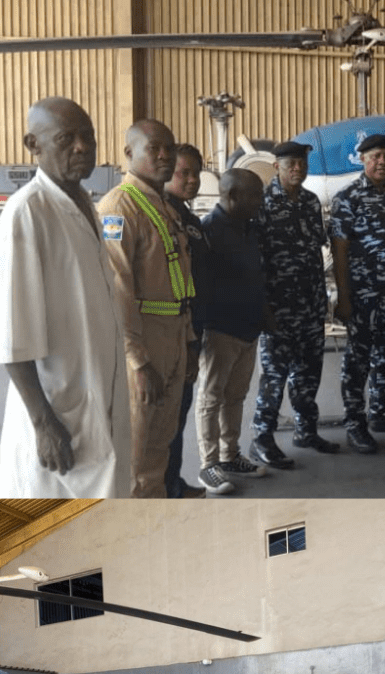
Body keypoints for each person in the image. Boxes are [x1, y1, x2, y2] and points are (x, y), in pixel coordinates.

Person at [0, 96, 130, 498]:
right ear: (32, 144)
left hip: (97, 400)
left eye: (87, 137)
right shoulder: (26, 213)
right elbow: (13, 338)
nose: (82, 147)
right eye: (66, 138)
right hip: (59, 412)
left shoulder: (86, 203)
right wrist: (42, 423)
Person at [98, 119, 194, 498]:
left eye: (169, 148)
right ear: (128, 154)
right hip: (144, 343)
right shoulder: (119, 208)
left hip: (173, 336)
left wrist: (188, 339)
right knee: (136, 458)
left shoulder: (164, 206)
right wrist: (137, 362)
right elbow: (118, 290)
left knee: (159, 451)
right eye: (153, 148)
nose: (164, 156)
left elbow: (180, 278)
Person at [250, 141, 340, 470]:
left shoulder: (310, 202)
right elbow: (255, 260)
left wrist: (323, 300)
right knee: (274, 376)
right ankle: (262, 436)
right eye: (290, 164)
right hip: (278, 307)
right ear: (277, 166)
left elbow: (317, 251)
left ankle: (306, 431)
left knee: (308, 373)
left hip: (310, 304)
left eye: (301, 163)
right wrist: (262, 307)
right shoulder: (261, 202)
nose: (297, 169)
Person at [331, 133, 385, 455]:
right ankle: (355, 424)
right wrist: (344, 298)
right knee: (358, 361)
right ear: (364, 160)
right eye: (375, 157)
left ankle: (381, 413)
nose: (382, 162)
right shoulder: (348, 197)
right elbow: (339, 250)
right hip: (364, 294)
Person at [193, 168, 268, 494]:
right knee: (211, 399)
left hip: (248, 328)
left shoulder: (247, 228)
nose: (260, 202)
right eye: (255, 196)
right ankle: (209, 465)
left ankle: (230, 455)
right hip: (220, 329)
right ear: (232, 196)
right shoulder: (209, 230)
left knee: (235, 396)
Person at [162, 143, 207, 499]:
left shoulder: (188, 219)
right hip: (167, 335)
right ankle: (163, 489)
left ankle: (173, 484)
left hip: (191, 332)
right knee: (163, 421)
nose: (192, 180)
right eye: (184, 173)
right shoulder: (158, 215)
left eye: (196, 173)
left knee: (179, 413)